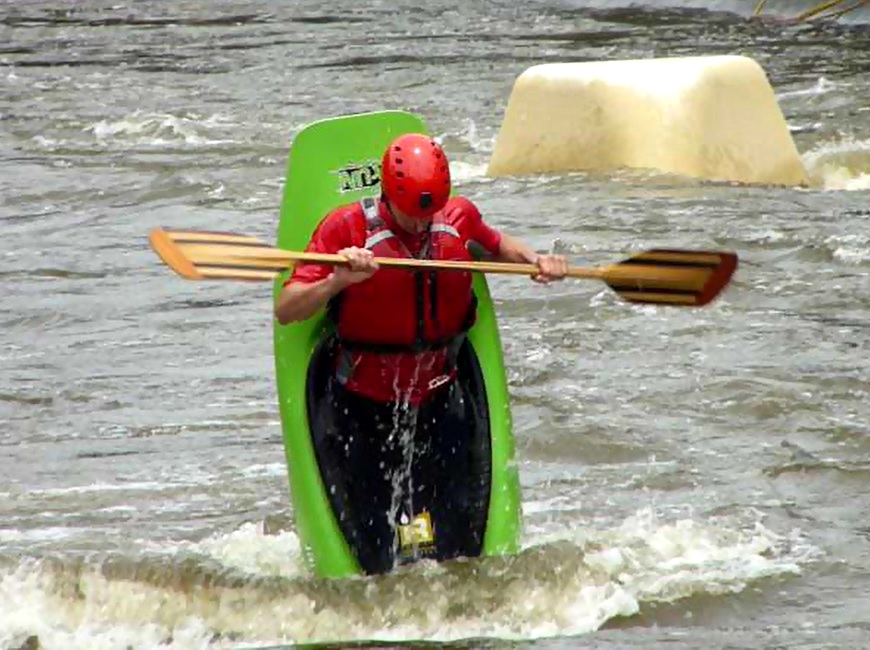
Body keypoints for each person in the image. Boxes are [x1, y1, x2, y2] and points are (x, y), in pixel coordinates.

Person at [275, 133, 567, 574]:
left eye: (429, 214)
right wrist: (338, 279)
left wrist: (536, 260)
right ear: (387, 196)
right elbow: (287, 308)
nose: (421, 225)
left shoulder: (458, 217)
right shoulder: (345, 230)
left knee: (461, 552)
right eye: (412, 215)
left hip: (439, 396)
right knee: (375, 555)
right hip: (361, 405)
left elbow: (498, 244)